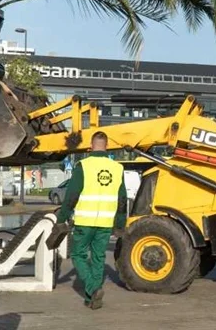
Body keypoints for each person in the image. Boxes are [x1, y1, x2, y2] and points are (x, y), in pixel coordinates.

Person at [56, 131, 127, 310]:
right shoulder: (117, 168)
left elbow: (72, 195)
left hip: (84, 222)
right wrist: (119, 224)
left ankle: (93, 288)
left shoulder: (83, 166)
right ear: (107, 146)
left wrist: (62, 217)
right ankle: (92, 299)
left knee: (78, 255)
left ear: (91, 145)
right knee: (98, 258)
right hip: (104, 224)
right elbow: (122, 200)